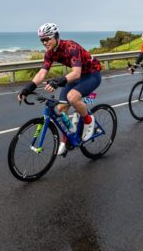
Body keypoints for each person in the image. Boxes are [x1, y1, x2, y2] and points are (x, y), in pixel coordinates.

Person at [17, 23, 102, 155]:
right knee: (61, 109)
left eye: (47, 39)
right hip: (76, 76)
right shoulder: (49, 53)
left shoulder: (71, 47)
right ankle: (66, 139)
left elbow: (76, 73)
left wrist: (58, 81)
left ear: (56, 36)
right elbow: (42, 73)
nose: (45, 42)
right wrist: (28, 88)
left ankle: (89, 121)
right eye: (42, 40)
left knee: (72, 97)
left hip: (92, 74)